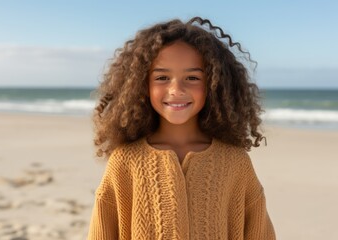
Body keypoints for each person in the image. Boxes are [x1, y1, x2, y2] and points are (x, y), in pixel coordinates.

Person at [87, 16, 276, 239]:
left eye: (193, 77)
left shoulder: (235, 162)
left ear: (214, 84)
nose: (176, 89)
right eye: (162, 77)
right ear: (142, 85)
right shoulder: (125, 162)